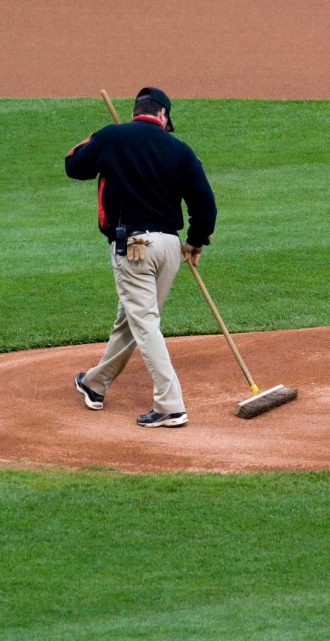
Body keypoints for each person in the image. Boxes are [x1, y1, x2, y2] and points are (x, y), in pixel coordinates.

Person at [65, 86, 217, 427]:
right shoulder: (180, 151)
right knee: (133, 319)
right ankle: (95, 383)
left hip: (135, 248)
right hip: (169, 249)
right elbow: (205, 205)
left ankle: (170, 405)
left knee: (144, 322)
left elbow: (73, 164)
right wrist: (195, 242)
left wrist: (103, 142)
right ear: (162, 115)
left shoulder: (113, 137)